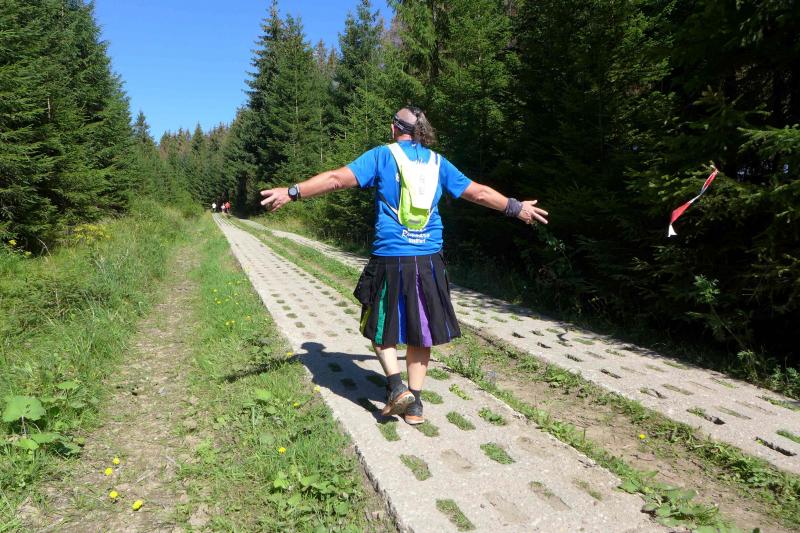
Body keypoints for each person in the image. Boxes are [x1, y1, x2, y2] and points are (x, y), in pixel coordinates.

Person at [260, 106, 548, 425]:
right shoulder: (438, 162)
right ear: (421, 131)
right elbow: (478, 193)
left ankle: (397, 387)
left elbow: (335, 180)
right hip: (429, 259)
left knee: (378, 323)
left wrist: (292, 192)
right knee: (421, 330)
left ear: (394, 129)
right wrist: (515, 207)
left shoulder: (382, 156)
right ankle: (415, 406)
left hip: (391, 256)